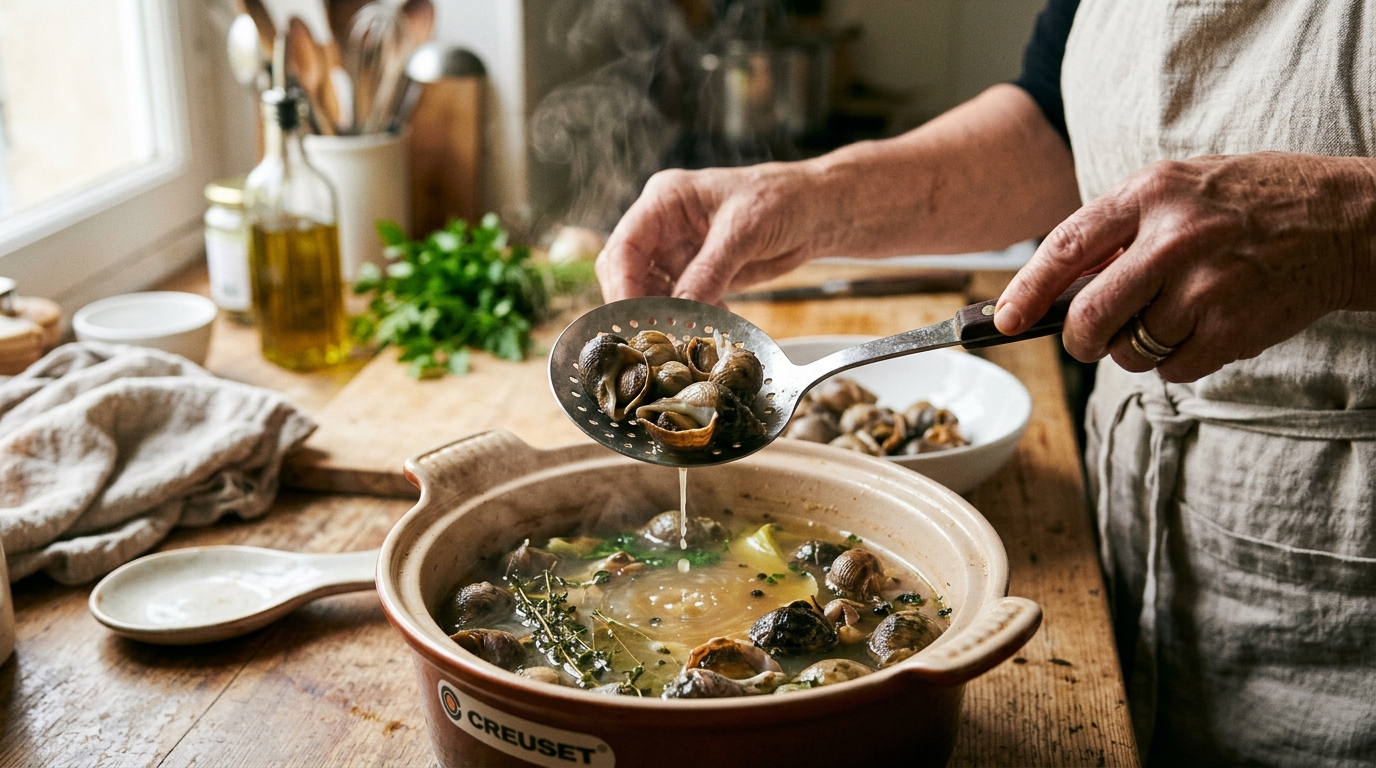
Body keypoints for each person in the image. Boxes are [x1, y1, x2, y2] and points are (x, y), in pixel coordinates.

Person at [595, 1, 1376, 765]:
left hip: (1335, 590)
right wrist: (803, 200)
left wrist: (1344, 225)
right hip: (1131, 529)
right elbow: (1056, 123)